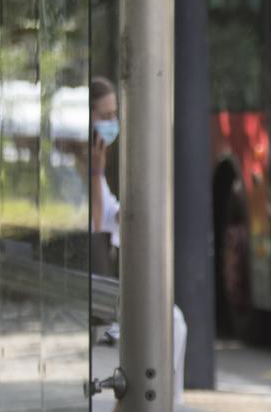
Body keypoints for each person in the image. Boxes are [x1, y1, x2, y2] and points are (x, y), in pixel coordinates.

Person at [88, 77, 189, 406]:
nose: (111, 123)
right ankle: (163, 403)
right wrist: (94, 171)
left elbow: (107, 215)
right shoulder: (84, 163)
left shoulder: (95, 164)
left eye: (114, 114)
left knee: (174, 322)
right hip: (91, 277)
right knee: (170, 321)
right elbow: (92, 220)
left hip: (102, 272)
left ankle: (167, 403)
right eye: (104, 116)